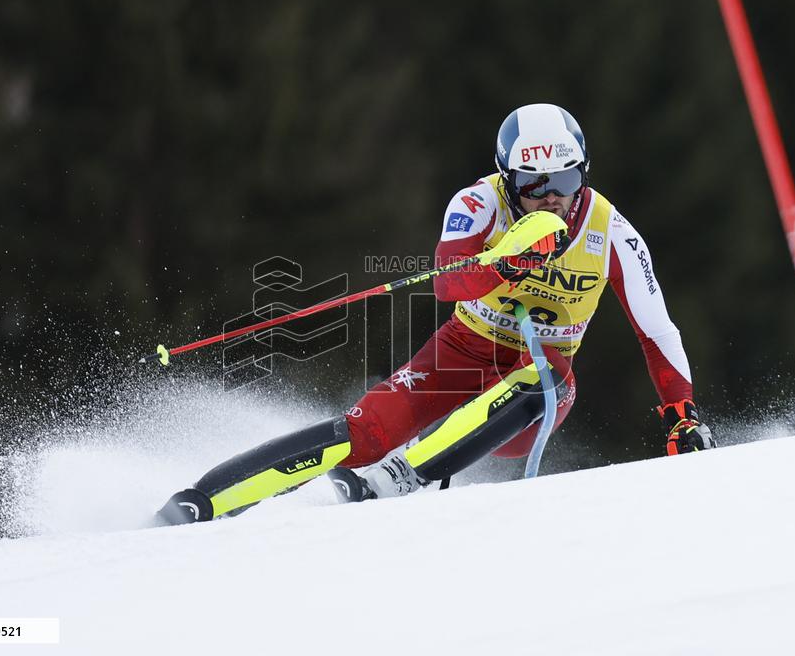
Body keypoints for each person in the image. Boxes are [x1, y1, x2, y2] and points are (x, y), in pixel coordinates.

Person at [156, 103, 715, 525]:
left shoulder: (612, 233)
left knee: (549, 380)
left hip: (539, 378)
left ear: (583, 176)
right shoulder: (477, 204)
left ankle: (403, 476)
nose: (550, 200)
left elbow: (656, 328)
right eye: (532, 186)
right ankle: (200, 502)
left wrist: (679, 412)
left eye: (563, 184)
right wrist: (508, 263)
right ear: (507, 179)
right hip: (462, 352)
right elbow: (448, 281)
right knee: (365, 431)